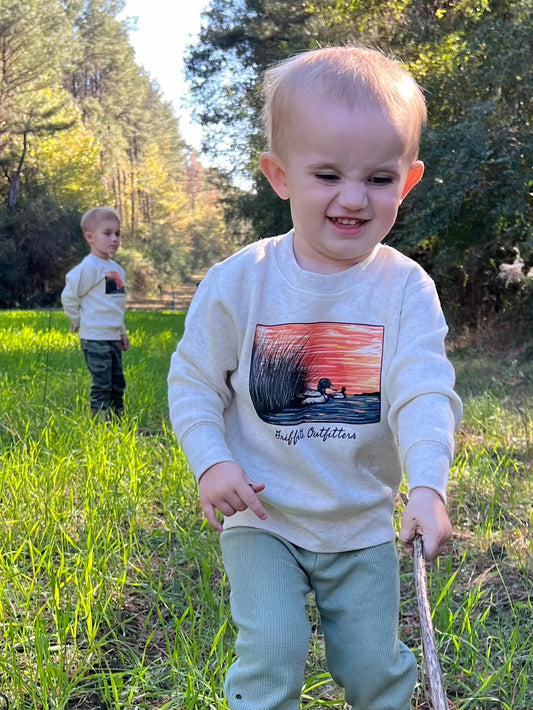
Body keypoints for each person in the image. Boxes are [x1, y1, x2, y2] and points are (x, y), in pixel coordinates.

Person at [168, 45, 462, 710]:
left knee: (369, 668)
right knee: (269, 652)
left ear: (407, 180)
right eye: (326, 174)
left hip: (358, 523)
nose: (353, 198)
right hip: (260, 516)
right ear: (279, 175)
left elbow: (423, 392)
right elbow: (194, 382)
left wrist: (426, 486)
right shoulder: (241, 281)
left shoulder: (403, 288)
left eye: (379, 179)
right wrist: (211, 462)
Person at [62, 207, 130, 417]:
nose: (114, 239)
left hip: (112, 336)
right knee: (102, 382)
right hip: (94, 336)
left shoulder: (116, 270)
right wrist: (77, 319)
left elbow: (114, 304)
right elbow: (69, 297)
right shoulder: (89, 268)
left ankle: (119, 419)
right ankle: (100, 422)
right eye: (107, 233)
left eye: (117, 233)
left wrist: (122, 332)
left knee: (117, 382)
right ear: (89, 237)